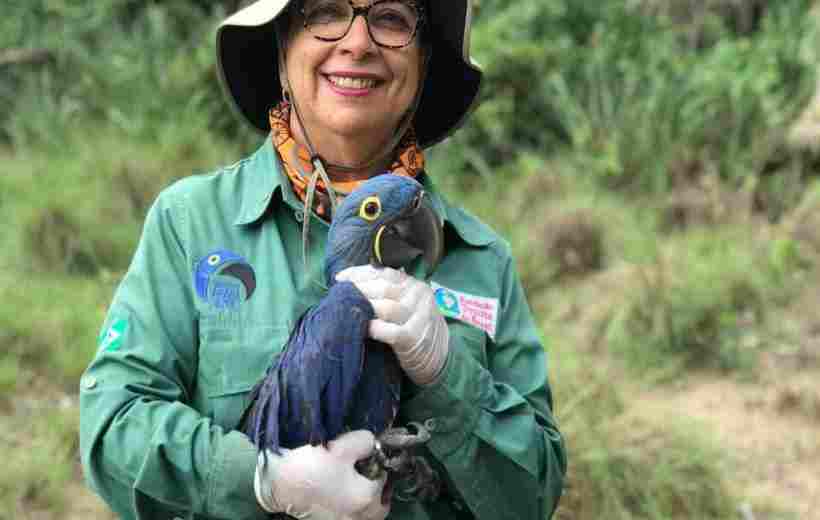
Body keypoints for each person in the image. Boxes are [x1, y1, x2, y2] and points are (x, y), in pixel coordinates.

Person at [79, 0, 567, 518]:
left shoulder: (480, 258)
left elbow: (533, 495)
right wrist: (260, 479)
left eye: (391, 18)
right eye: (327, 10)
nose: (358, 43)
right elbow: (113, 429)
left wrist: (446, 377)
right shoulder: (190, 222)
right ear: (282, 45)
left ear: (423, 62)